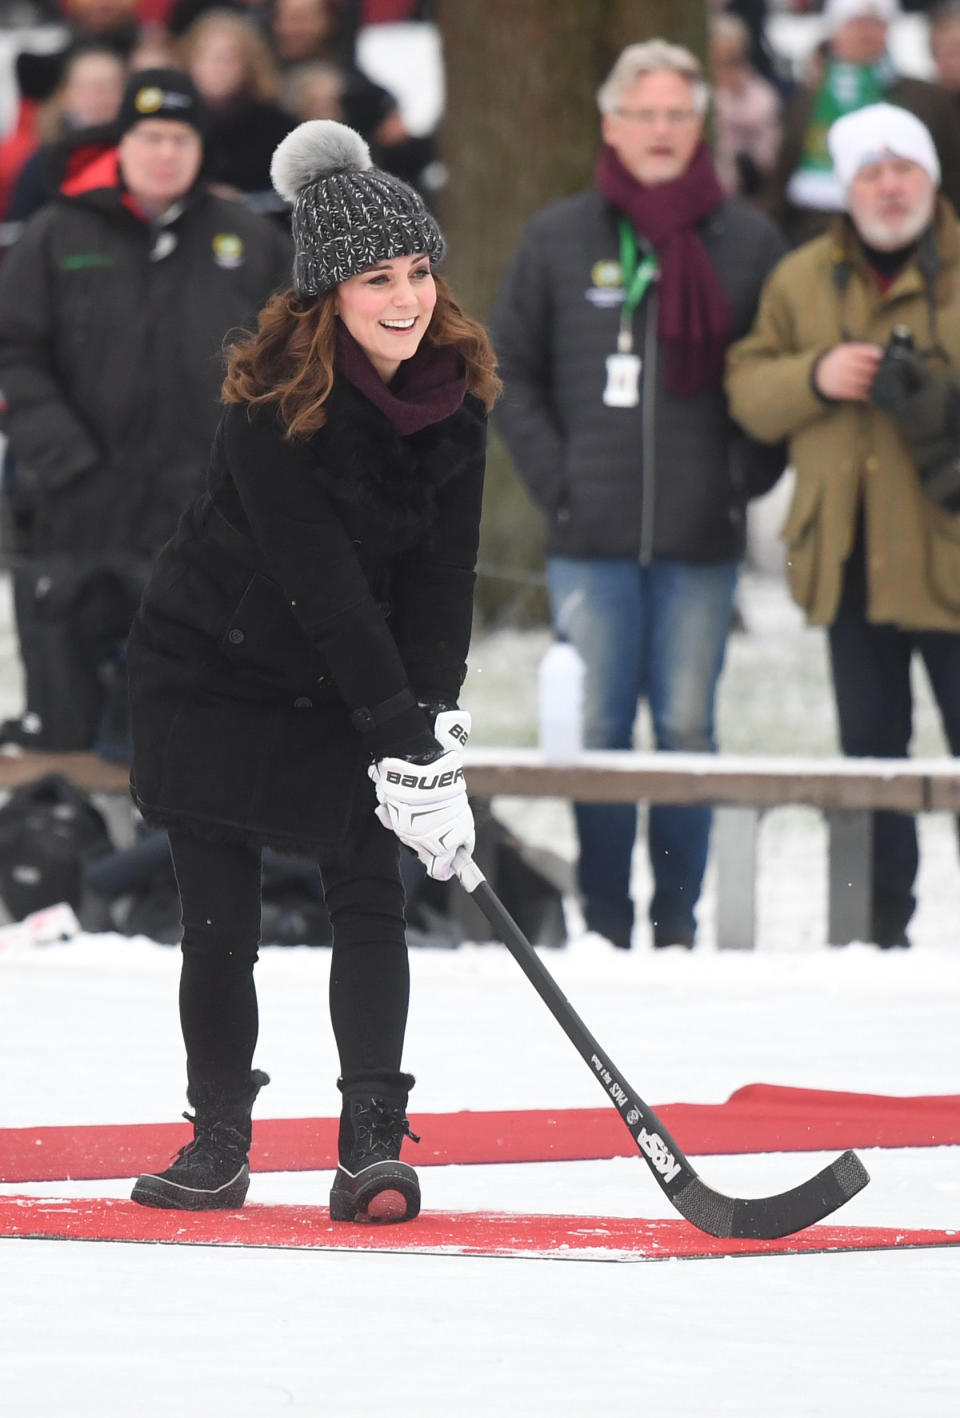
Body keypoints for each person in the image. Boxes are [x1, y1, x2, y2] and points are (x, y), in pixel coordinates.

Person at [126, 119, 499, 1219]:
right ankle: (218, 1137)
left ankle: (371, 1142)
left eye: (419, 270)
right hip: (215, 670)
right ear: (327, 291)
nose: (406, 297)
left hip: (352, 673)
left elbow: (443, 578)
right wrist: (394, 722)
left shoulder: (456, 399)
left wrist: (433, 728)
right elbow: (319, 580)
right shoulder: (268, 407)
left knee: (369, 894)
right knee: (219, 919)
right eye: (376, 276)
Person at [490, 40, 786, 951]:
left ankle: (676, 926)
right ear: (611, 124)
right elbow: (508, 370)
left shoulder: (747, 241)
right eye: (642, 114)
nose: (659, 131)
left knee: (689, 730)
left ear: (697, 128)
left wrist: (739, 484)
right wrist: (560, 483)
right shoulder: (559, 236)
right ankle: (608, 924)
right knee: (600, 731)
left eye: (675, 115)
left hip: (702, 541)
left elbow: (776, 384)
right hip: (593, 537)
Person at [0, 67, 292, 752]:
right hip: (76, 524)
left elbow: (296, 363)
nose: (166, 153)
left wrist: (246, 473)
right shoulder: (55, 236)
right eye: (151, 136)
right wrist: (66, 460)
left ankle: (171, 864)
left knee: (194, 739)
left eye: (181, 139)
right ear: (120, 143)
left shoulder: (249, 242)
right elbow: (11, 353)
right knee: (70, 741)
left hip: (205, 531)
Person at [726, 103, 960, 948]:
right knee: (868, 759)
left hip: (950, 557)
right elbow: (748, 390)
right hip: (850, 558)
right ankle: (870, 932)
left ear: (931, 180)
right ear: (847, 188)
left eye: (906, 170)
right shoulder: (798, 278)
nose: (890, 187)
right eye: (872, 171)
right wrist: (818, 375)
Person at [772, 0, 960, 245]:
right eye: (855, 24)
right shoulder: (809, 99)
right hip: (817, 236)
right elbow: (783, 172)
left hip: (916, 241)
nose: (865, 33)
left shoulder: (925, 97)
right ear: (835, 31)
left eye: (874, 24)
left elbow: (952, 171)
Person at [180, 8, 295, 206]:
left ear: (249, 66)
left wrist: (242, 201)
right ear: (189, 62)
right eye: (207, 57)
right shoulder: (175, 120)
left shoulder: (278, 128)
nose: (217, 68)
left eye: (228, 59)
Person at [709, 12, 783, 198]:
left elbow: (770, 151)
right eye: (719, 61)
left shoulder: (761, 95)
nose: (726, 69)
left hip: (747, 195)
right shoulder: (697, 92)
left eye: (733, 61)